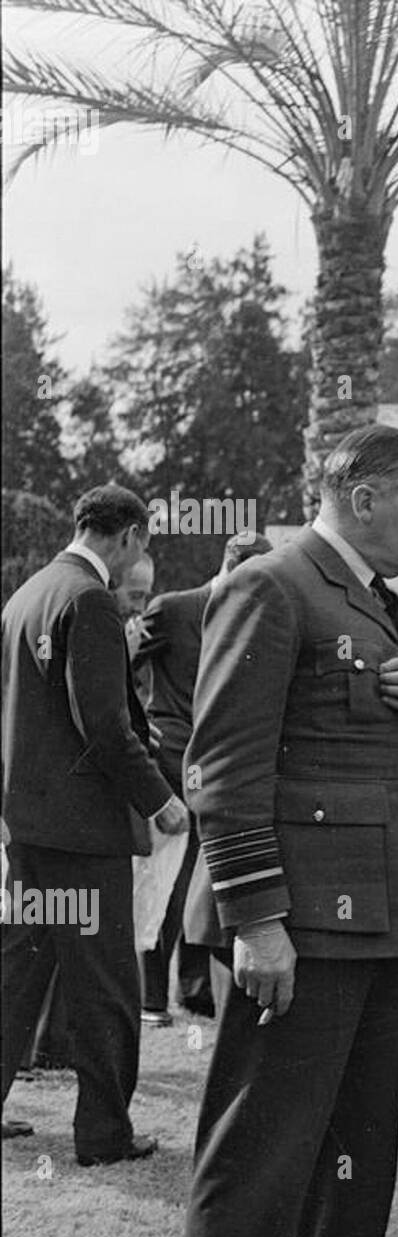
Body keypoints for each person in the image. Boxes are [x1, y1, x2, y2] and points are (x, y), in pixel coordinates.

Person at [178, 425, 398, 1237]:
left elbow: (385, 746)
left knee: (357, 1160)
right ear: (364, 498)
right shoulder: (273, 585)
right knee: (261, 1157)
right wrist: (258, 922)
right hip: (299, 929)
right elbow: (223, 771)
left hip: (380, 925)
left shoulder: (375, 599)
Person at [1, 484, 188, 1156]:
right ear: (131, 536)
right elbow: (105, 726)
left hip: (28, 826)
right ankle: (104, 1132)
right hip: (84, 834)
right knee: (109, 987)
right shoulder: (90, 600)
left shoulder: (27, 595)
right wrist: (160, 801)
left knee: (14, 978)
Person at [133, 532, 273, 1027]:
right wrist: (139, 724)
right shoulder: (173, 608)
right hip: (172, 759)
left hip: (224, 765)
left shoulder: (255, 619)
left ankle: (196, 993)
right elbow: (118, 666)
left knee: (206, 881)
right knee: (169, 880)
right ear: (232, 566)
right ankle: (151, 999)